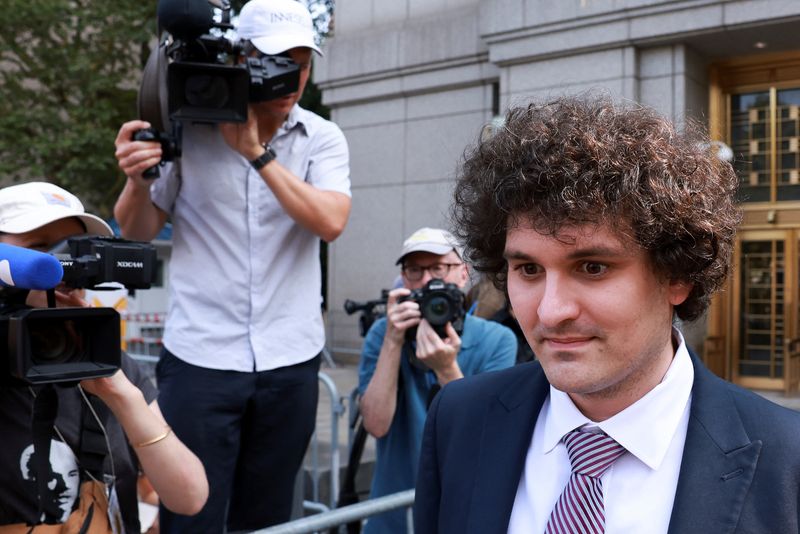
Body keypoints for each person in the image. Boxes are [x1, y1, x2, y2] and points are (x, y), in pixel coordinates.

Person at [413, 96, 800, 533]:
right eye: (528, 269)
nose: (551, 310)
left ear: (677, 276)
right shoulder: (459, 419)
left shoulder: (788, 463)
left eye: (592, 268)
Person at [113, 0, 351, 531]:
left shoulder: (321, 137)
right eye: (276, 61)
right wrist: (136, 179)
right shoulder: (189, 129)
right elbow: (137, 230)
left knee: (267, 517)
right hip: (201, 357)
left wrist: (256, 154)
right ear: (241, 59)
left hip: (290, 358)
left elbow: (331, 221)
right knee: (189, 511)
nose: (293, 77)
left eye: (302, 62)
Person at [0, 181, 208, 533]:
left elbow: (189, 497)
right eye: (40, 249)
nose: (64, 268)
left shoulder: (108, 361)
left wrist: (121, 395)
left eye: (76, 250)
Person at [358, 227, 516, 533]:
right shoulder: (383, 334)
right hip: (392, 517)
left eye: (439, 268)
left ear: (463, 274)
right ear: (404, 280)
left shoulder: (497, 340)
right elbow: (376, 424)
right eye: (415, 270)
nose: (428, 280)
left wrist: (446, 370)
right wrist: (392, 341)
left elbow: (487, 438)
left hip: (460, 514)